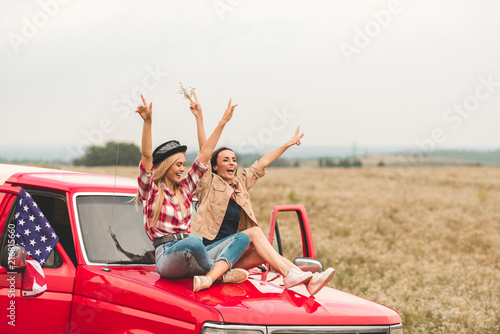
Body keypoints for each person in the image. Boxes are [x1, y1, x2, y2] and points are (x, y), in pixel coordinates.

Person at [189, 99, 335, 296]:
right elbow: (204, 151)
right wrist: (204, 117)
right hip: (212, 255)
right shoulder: (208, 183)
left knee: (264, 252)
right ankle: (290, 274)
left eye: (234, 159)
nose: (232, 162)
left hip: (231, 257)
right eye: (225, 160)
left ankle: (305, 278)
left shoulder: (239, 185)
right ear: (215, 166)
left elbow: (261, 164)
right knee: (255, 232)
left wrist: (287, 144)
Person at [136, 94, 250, 292]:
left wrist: (222, 121)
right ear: (166, 166)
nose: (182, 169)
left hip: (195, 259)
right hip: (168, 257)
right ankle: (221, 274)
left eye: (183, 164)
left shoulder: (186, 189)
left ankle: (210, 276)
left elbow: (205, 153)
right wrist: (148, 121)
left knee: (243, 238)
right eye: (178, 165)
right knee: (193, 243)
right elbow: (146, 157)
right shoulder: (152, 190)